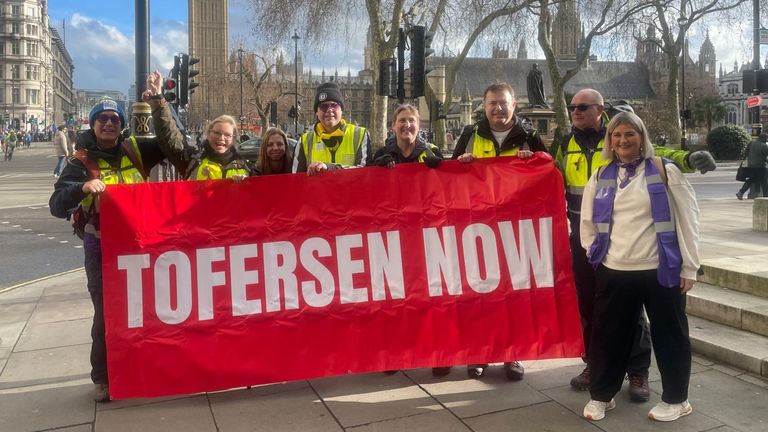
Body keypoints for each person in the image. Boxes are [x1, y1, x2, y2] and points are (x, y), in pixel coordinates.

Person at [551, 88, 714, 402]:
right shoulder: (564, 143)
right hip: (587, 239)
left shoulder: (618, 133)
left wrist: (689, 159)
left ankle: (637, 370)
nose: (575, 112)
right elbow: (547, 172)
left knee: (634, 313)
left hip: (624, 242)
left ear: (600, 110)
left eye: (582, 107)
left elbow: (660, 152)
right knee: (592, 307)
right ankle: (595, 366)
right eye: (572, 107)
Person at [49, 91, 184, 403]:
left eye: (114, 119)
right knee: (107, 314)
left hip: (141, 247)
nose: (109, 124)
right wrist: (81, 187)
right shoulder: (79, 161)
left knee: (151, 310)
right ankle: (103, 377)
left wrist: (161, 104)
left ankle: (145, 365)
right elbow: (56, 204)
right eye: (102, 119)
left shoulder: (134, 149)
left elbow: (173, 145)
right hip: (102, 249)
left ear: (121, 124)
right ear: (93, 124)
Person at [580, 112, 699, 422]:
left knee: (670, 334)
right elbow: (588, 221)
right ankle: (602, 395)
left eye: (630, 134)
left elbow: (688, 220)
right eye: (617, 134)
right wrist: (596, 256)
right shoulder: (602, 174)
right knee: (608, 336)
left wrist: (690, 267)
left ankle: (677, 399)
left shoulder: (664, 171)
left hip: (660, 268)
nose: (623, 140)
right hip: (615, 268)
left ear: (642, 137)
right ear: (610, 140)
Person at [452, 82, 546, 381]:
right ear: (484, 104)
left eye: (503, 103)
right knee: (480, 292)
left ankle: (512, 353)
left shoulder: (530, 136)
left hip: (515, 227)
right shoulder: (469, 135)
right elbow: (450, 177)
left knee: (513, 292)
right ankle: (479, 351)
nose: (497, 108)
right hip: (477, 225)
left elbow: (548, 171)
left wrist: (533, 162)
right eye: (492, 103)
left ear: (513, 105)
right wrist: (461, 163)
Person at [292, 82, 372, 175]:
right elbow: (296, 181)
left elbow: (364, 172)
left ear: (341, 109)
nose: (329, 110)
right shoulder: (304, 141)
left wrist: (330, 168)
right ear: (316, 112)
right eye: (323, 106)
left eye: (334, 105)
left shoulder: (360, 135)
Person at [372, 104, 442, 167]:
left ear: (418, 126)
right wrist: (378, 168)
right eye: (402, 120)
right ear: (393, 126)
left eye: (412, 121)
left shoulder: (433, 152)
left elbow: (447, 180)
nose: (407, 125)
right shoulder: (381, 154)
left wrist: (438, 168)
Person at [736, 132, 768, 200]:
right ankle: (765, 197)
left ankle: (741, 192)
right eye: (766, 138)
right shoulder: (764, 146)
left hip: (750, 165)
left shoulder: (751, 143)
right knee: (764, 181)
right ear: (764, 138)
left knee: (752, 179)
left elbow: (745, 153)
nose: (766, 140)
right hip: (760, 166)